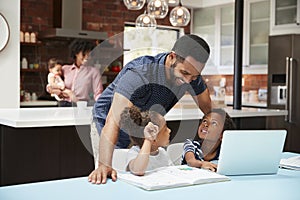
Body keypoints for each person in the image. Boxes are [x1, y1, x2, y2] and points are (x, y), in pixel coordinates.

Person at [88, 34, 212, 184]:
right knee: (110, 176)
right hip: (108, 122)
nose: (187, 81)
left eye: (193, 77)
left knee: (142, 177)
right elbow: (114, 120)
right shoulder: (140, 72)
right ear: (172, 57)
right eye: (184, 73)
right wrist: (104, 165)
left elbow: (210, 113)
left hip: (143, 129)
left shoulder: (192, 75)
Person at [47, 39, 103, 107]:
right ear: (76, 53)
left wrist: (102, 104)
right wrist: (53, 89)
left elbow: (98, 93)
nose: (87, 57)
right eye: (84, 54)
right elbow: (52, 83)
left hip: (81, 106)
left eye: (90, 54)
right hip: (63, 105)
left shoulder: (94, 72)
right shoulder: (65, 69)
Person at [120, 106, 173, 176]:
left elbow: (172, 172)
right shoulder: (134, 152)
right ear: (154, 137)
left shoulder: (163, 153)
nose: (169, 130)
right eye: (165, 129)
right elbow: (138, 170)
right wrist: (148, 140)